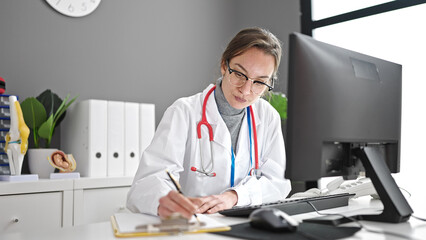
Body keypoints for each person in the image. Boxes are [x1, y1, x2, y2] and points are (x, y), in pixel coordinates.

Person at [127, 27, 291, 219]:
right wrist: (164, 200)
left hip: (243, 225)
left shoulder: (268, 117)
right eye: (239, 74)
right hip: (194, 225)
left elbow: (276, 183)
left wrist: (235, 197)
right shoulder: (184, 112)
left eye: (259, 82)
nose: (246, 90)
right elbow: (147, 183)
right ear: (224, 65)